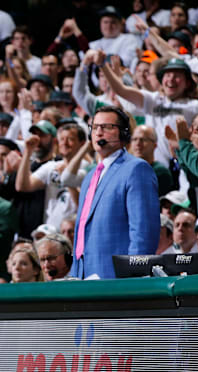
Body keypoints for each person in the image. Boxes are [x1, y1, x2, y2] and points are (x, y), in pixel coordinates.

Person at [71, 106, 160, 279]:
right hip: (83, 276)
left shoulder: (136, 169)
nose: (98, 132)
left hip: (117, 278)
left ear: (124, 134)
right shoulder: (89, 177)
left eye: (106, 127)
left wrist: (134, 276)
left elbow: (143, 231)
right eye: (95, 127)